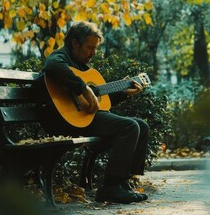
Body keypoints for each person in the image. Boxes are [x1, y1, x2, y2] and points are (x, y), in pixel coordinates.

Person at [35, 21, 149, 204]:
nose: (93, 53)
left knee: (141, 126)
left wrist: (124, 93)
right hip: (64, 120)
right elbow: (52, 66)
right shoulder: (60, 57)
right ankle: (110, 188)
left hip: (83, 118)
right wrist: (84, 89)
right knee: (129, 127)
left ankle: (121, 183)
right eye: (90, 48)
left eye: (95, 48)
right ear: (74, 43)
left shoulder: (81, 66)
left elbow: (99, 100)